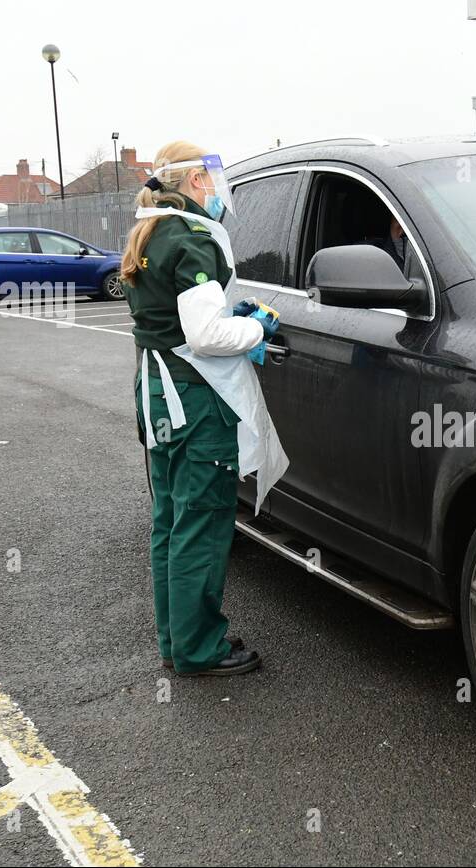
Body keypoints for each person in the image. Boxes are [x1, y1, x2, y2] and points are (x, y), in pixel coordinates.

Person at [120, 141, 283, 677]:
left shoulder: (150, 232)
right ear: (194, 182)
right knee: (202, 523)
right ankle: (199, 649)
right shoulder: (190, 239)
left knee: (170, 521)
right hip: (195, 398)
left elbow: (173, 318)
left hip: (159, 393)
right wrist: (256, 326)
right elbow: (206, 332)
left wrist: (224, 314)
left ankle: (177, 640)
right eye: (210, 179)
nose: (217, 189)